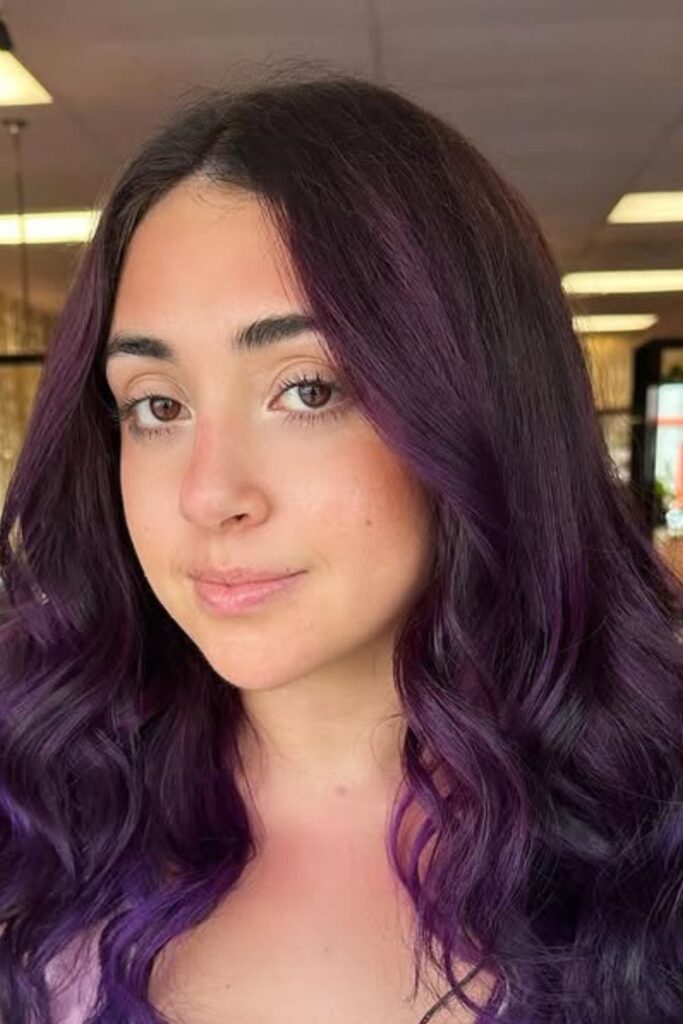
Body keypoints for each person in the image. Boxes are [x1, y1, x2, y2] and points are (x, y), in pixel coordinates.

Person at [0, 64, 681, 1024]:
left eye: (307, 390)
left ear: (473, 410)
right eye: (156, 406)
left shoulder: (652, 833)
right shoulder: (38, 824)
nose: (209, 496)